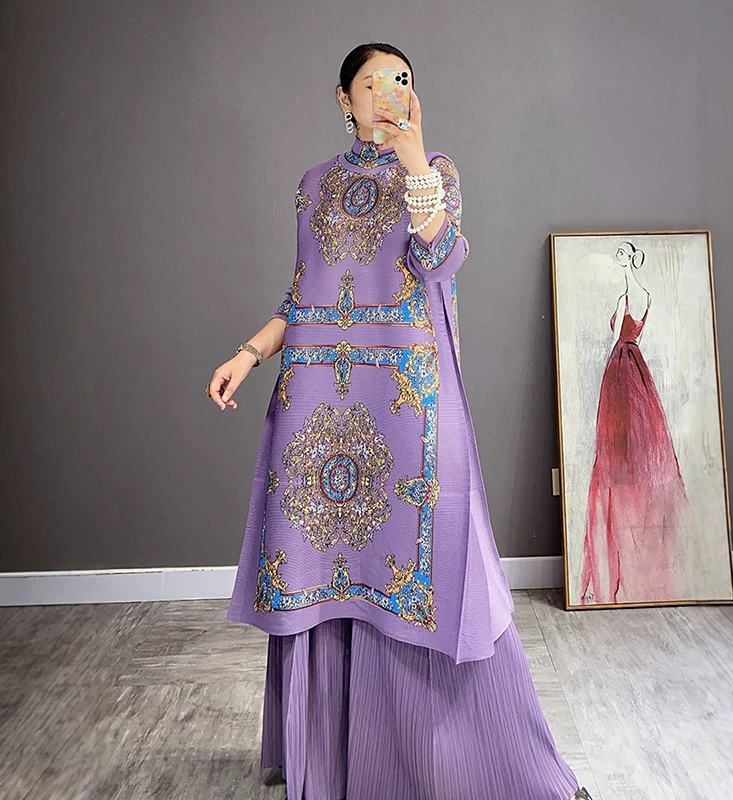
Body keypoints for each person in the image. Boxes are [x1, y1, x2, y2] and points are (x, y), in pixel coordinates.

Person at [208, 41, 593, 800]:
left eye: (403, 80)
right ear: (344, 99)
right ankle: (334, 766)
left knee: (427, 571)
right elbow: (305, 292)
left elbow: (440, 256)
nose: (390, 91)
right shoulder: (313, 185)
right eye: (373, 82)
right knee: (321, 574)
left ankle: (484, 766)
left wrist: (414, 158)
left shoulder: (435, 171)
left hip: (408, 403)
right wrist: (248, 354)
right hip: (316, 406)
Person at [580, 241, 688, 605]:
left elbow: (615, 339)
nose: (617, 260)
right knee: (640, 431)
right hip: (638, 366)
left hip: (619, 367)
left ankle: (623, 483)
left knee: (617, 436)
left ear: (629, 259)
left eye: (620, 256)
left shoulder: (626, 297)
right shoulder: (647, 298)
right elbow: (638, 334)